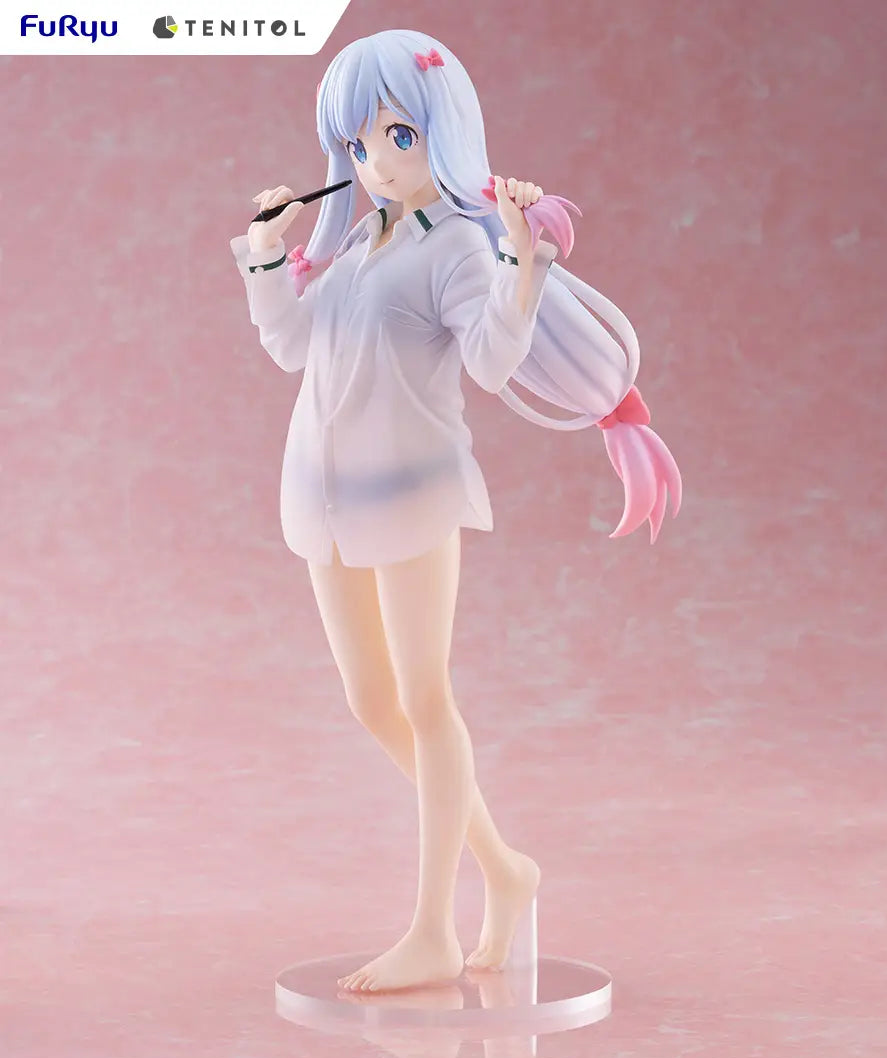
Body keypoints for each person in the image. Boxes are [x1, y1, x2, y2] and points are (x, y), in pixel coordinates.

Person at [229, 29, 682, 993]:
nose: (375, 161)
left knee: (426, 700)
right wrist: (267, 257)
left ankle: (435, 926)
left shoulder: (457, 247)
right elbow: (291, 347)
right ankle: (507, 870)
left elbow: (489, 359)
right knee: (372, 702)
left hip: (413, 492)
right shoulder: (356, 243)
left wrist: (520, 259)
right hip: (323, 491)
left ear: (443, 130)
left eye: (397, 135)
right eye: (357, 144)